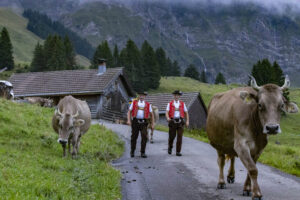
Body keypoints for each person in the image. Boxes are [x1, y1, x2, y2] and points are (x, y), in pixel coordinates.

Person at [127, 91, 154, 158]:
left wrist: (152, 124)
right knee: (134, 137)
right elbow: (129, 112)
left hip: (144, 122)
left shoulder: (148, 104)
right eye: (140, 95)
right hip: (135, 122)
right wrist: (128, 120)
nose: (141, 97)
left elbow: (152, 114)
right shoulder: (134, 103)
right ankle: (132, 152)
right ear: (138, 96)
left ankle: (142, 152)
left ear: (145, 97)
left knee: (144, 137)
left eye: (143, 96)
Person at [165, 90, 189, 156]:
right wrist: (167, 118)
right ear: (173, 96)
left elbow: (186, 113)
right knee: (171, 136)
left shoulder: (182, 104)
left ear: (179, 96)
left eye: (178, 95)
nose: (176, 96)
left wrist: (187, 121)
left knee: (179, 136)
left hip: (180, 122)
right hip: (172, 121)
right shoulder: (169, 104)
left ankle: (178, 151)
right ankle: (170, 147)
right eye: (175, 95)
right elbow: (167, 112)